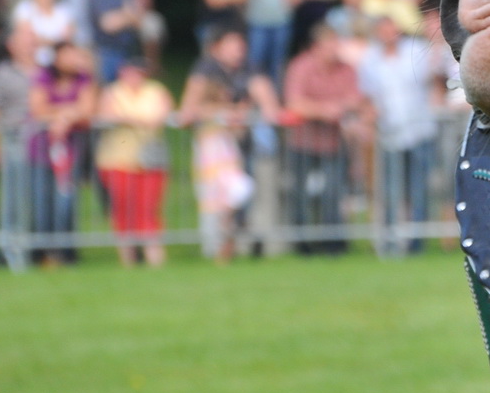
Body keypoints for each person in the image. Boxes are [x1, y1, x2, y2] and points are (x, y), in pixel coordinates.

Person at [180, 25, 278, 263]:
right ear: (216, 48)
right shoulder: (204, 71)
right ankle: (216, 247)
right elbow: (188, 111)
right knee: (217, 200)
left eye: (241, 45)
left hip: (244, 146)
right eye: (232, 45)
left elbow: (270, 105)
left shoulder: (250, 69)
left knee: (244, 196)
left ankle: (248, 243)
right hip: (215, 151)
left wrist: (252, 111)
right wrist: (227, 112)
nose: (239, 51)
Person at [358, 15, 439, 254]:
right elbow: (368, 96)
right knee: (391, 189)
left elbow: (435, 75)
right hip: (389, 132)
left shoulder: (417, 50)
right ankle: (393, 238)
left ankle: (417, 242)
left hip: (419, 129)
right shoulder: (370, 60)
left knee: (418, 187)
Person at [282, 24, 365, 254]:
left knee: (333, 193)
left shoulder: (346, 69)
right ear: (317, 46)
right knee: (299, 193)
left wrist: (340, 107)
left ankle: (334, 243)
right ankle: (302, 244)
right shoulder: (300, 67)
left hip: (334, 143)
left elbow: (356, 98)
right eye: (331, 44)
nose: (336, 49)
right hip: (302, 143)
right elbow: (294, 103)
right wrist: (325, 110)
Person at [95, 58, 173, 266]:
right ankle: (128, 258)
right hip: (117, 160)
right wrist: (139, 120)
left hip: (150, 160)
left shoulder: (156, 90)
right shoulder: (112, 92)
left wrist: (128, 119)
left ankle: (154, 256)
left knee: (148, 208)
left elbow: (162, 114)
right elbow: (107, 115)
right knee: (123, 209)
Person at [28, 42, 96, 264]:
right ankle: (41, 254)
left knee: (66, 201)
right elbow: (37, 109)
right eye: (68, 55)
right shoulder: (43, 77)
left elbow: (88, 110)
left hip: (70, 151)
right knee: (41, 201)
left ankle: (66, 252)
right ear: (56, 58)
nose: (73, 60)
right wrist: (68, 113)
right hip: (41, 150)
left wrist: (62, 116)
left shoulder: (84, 79)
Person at [0, 25, 39, 266]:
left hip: (42, 144)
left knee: (37, 198)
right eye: (24, 39)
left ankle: (38, 249)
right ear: (11, 45)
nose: (30, 44)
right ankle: (7, 251)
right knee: (11, 200)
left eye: (32, 39)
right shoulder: (1, 73)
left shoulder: (46, 71)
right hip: (13, 141)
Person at [86, 0, 143, 84]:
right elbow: (108, 25)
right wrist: (128, 14)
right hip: (106, 53)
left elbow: (138, 19)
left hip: (128, 51)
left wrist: (122, 16)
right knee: (109, 94)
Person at [12, 0, 76, 67]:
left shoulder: (65, 10)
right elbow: (27, 40)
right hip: (31, 62)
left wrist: (41, 40)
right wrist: (55, 41)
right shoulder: (24, 8)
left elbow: (66, 41)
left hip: (58, 63)